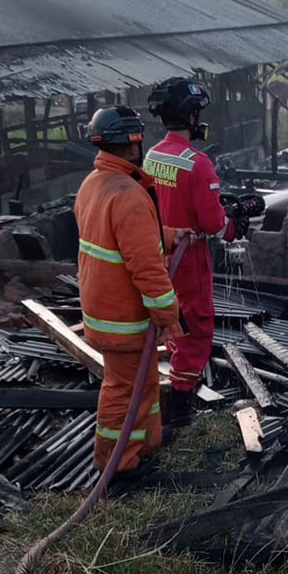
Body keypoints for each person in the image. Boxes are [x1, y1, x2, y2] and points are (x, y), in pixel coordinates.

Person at [75, 106, 181, 494]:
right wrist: (169, 315)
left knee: (144, 382)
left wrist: (172, 235)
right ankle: (117, 465)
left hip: (103, 309)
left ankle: (144, 445)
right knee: (123, 390)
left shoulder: (95, 184)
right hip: (124, 317)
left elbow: (129, 238)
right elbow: (146, 267)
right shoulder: (129, 194)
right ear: (134, 141)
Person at [143, 78, 236, 426]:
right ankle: (181, 406)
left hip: (158, 253)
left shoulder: (151, 157)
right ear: (191, 117)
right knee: (197, 329)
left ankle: (173, 386)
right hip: (189, 256)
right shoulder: (198, 163)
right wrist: (233, 226)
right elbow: (213, 223)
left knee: (171, 322)